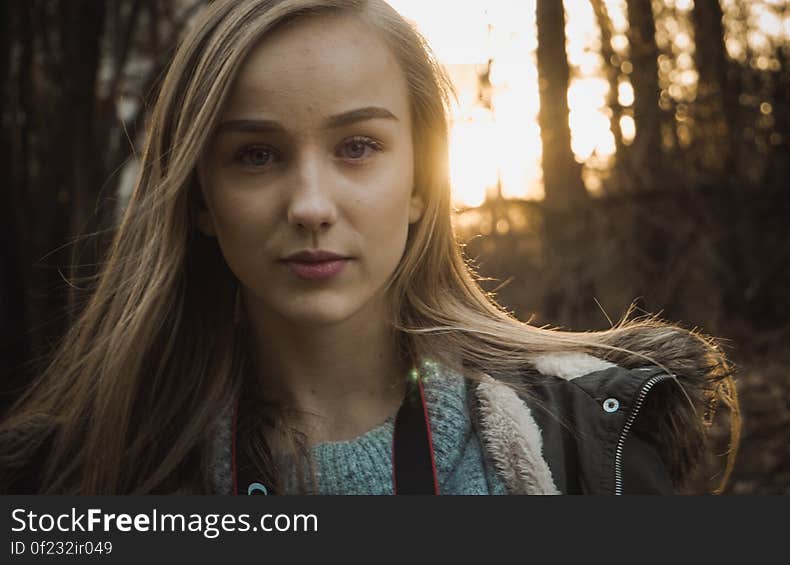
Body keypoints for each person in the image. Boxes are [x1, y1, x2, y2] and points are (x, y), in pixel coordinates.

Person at [0, 0, 739, 495]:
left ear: (422, 181)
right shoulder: (81, 477)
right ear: (200, 198)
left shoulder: (584, 438)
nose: (311, 206)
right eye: (256, 155)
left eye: (357, 146)